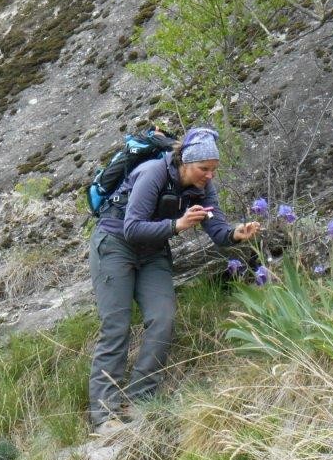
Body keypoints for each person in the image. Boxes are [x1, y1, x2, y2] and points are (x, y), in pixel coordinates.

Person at [88, 127, 261, 435]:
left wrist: (235, 233)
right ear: (185, 162)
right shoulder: (152, 174)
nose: (209, 175)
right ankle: (104, 414)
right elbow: (131, 228)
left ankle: (140, 401)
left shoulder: (203, 186)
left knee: (163, 319)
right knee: (116, 326)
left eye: (213, 169)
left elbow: (218, 230)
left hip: (153, 252)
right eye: (203, 168)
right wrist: (177, 225)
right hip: (115, 245)